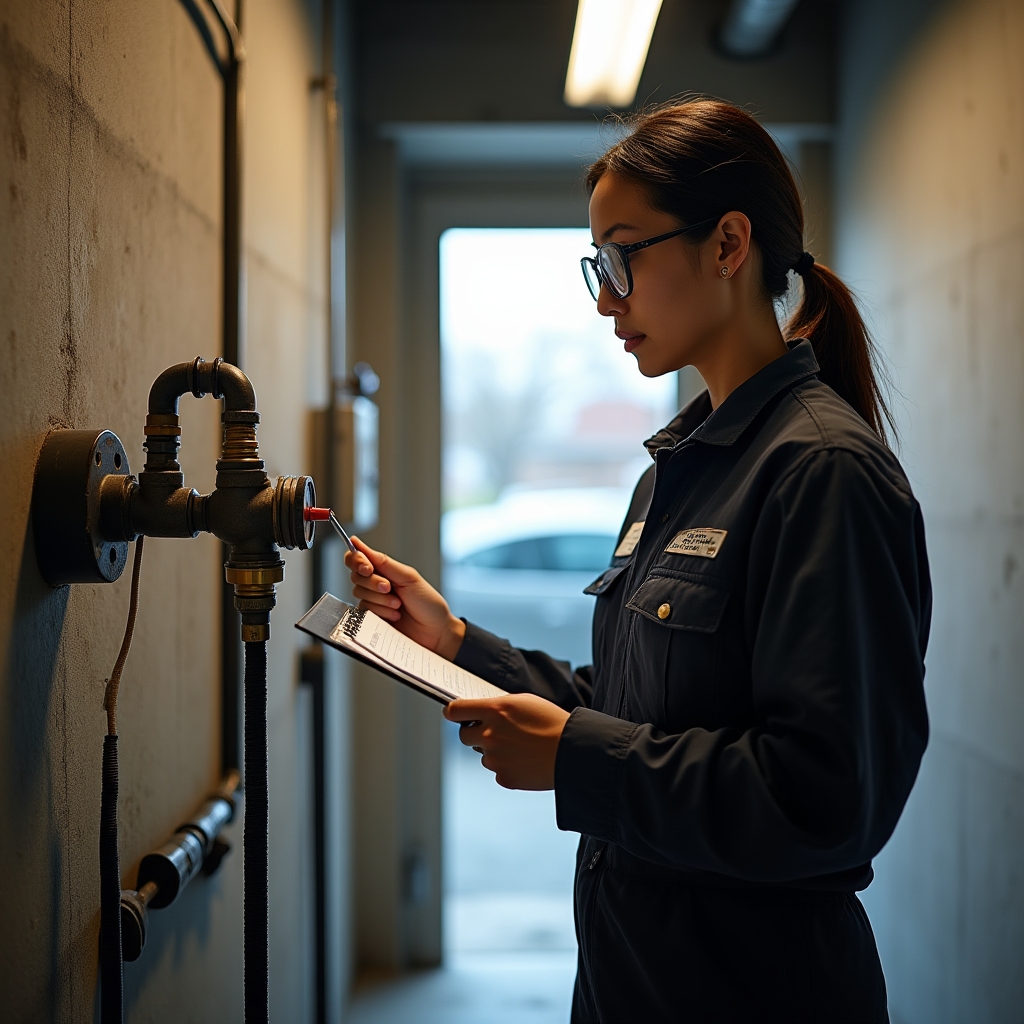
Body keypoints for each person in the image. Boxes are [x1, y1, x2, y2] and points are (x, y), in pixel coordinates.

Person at [344, 99, 931, 1023]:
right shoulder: (675, 471)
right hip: (633, 978)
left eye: (622, 258)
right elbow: (635, 704)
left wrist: (577, 759)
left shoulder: (822, 472)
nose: (605, 300)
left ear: (728, 244)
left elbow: (829, 799)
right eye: (597, 266)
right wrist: (454, 642)